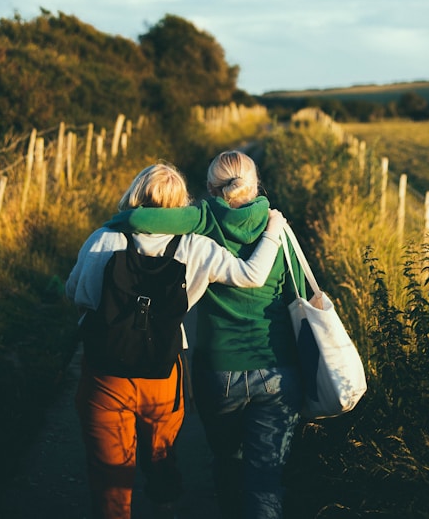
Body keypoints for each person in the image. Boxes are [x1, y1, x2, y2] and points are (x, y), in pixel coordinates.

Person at [66, 162, 285, 519]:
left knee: (109, 473)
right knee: (160, 451)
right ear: (182, 202)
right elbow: (250, 275)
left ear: (135, 193)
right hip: (164, 370)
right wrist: (274, 229)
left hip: (105, 372)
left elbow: (77, 294)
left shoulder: (104, 238)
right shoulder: (197, 247)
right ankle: (165, 500)